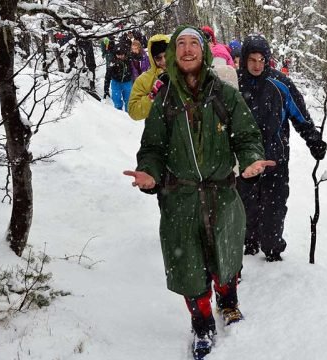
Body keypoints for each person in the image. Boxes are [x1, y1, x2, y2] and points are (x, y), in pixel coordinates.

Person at [123, 25, 275, 359]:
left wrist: (250, 161)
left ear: (203, 51)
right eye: (181, 44)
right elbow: (152, 147)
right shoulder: (163, 98)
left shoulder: (225, 94)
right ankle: (202, 324)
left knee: (226, 253)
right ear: (174, 53)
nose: (188, 50)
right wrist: (148, 171)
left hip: (222, 192)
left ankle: (229, 303)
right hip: (181, 198)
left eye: (194, 43)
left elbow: (247, 136)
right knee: (190, 265)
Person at [237, 33, 327, 262]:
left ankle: (273, 248)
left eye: (261, 60)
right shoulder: (234, 85)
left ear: (267, 60)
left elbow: (300, 116)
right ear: (244, 60)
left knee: (274, 213)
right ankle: (249, 242)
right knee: (246, 209)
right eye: (252, 60)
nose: (257, 65)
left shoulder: (280, 84)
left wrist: (313, 140)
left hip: (276, 161)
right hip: (244, 164)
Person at [128, 34, 170, 120]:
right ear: (152, 58)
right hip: (159, 129)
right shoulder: (143, 80)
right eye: (158, 58)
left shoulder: (183, 71)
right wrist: (153, 96)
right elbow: (133, 111)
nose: (164, 61)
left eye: (166, 56)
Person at [105, 39, 133, 111]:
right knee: (116, 100)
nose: (120, 56)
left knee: (128, 100)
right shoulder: (113, 62)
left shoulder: (129, 60)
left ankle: (128, 114)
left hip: (127, 82)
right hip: (116, 82)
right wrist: (106, 88)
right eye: (118, 55)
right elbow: (108, 74)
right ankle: (118, 114)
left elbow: (135, 71)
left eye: (121, 54)